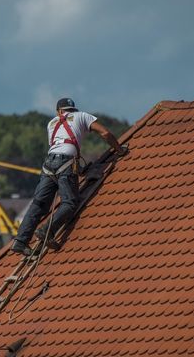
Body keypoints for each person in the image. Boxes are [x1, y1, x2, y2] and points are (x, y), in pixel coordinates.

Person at [11, 97, 126, 256]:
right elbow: (105, 133)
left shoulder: (51, 123)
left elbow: (60, 145)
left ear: (59, 111)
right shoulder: (82, 116)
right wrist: (119, 150)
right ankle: (47, 231)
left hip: (49, 164)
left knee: (38, 204)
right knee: (70, 202)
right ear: (73, 109)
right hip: (66, 162)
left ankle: (20, 241)